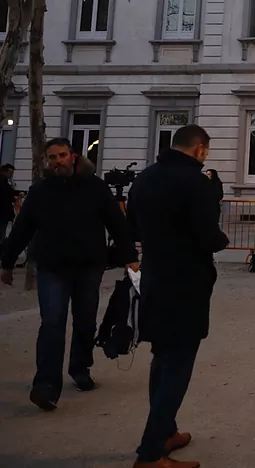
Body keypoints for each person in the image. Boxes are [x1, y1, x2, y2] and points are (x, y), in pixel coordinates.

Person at [0, 138, 138, 412]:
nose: (57, 161)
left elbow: (117, 225)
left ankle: (80, 367)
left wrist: (130, 258)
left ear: (73, 156)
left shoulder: (96, 188)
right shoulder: (40, 191)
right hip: (52, 266)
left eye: (62, 155)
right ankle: (46, 385)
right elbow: (23, 228)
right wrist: (7, 262)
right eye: (52, 157)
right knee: (52, 323)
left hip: (89, 265)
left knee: (85, 320)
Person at [125, 124, 229, 468]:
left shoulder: (145, 179)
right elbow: (208, 234)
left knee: (162, 356)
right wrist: (221, 239)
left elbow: (132, 227)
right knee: (178, 365)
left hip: (155, 276)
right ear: (200, 149)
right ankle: (151, 452)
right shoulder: (195, 183)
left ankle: (166, 431)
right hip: (187, 280)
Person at [1, 162, 16, 247]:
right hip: (3, 213)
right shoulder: (3, 182)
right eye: (10, 173)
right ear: (5, 172)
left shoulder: (5, 182)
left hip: (4, 213)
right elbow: (6, 195)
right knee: (2, 231)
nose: (11, 175)